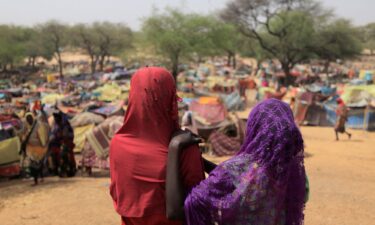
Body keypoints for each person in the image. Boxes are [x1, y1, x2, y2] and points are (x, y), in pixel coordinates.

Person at [167, 99, 307, 225]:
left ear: (254, 127)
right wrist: (202, 162)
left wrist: (175, 147)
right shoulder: (293, 175)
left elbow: (178, 210)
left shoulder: (238, 168)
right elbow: (246, 180)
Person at [109, 67, 205, 225]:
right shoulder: (184, 147)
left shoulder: (117, 144)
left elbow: (117, 196)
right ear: (170, 99)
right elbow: (197, 202)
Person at [20, 112, 50, 185]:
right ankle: (36, 180)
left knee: (37, 164)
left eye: (30, 118)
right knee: (33, 165)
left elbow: (43, 136)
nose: (29, 120)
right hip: (31, 149)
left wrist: (44, 146)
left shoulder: (38, 126)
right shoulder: (27, 127)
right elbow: (22, 134)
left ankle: (39, 178)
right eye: (28, 119)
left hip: (39, 148)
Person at [49, 110, 76, 177]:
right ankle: (56, 169)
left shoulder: (65, 125)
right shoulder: (56, 126)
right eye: (55, 118)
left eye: (57, 118)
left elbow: (67, 135)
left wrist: (62, 138)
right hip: (58, 143)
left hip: (66, 143)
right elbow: (53, 135)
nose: (56, 119)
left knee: (65, 155)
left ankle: (69, 170)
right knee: (53, 154)